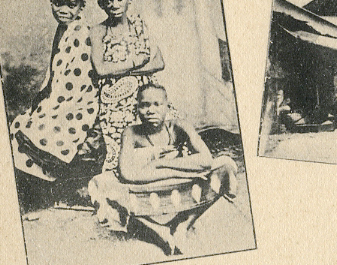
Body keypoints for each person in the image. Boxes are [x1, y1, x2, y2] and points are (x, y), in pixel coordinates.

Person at [89, 83, 239, 254]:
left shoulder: (179, 126)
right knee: (101, 185)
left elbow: (206, 160)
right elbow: (126, 173)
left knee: (225, 167)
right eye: (145, 105)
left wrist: (159, 164)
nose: (150, 110)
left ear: (167, 107)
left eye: (156, 104)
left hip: (179, 186)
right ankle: (156, 230)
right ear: (137, 108)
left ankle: (183, 224)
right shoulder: (130, 132)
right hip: (145, 189)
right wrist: (184, 168)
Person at [9, 0, 104, 191]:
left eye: (71, 5)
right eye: (58, 3)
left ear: (81, 7)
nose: (63, 10)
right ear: (51, 1)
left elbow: (76, 80)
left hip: (79, 101)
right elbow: (56, 74)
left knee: (37, 127)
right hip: (61, 95)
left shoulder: (80, 32)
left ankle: (50, 187)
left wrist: (52, 102)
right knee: (22, 122)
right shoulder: (63, 30)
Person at [90, 0, 166, 173]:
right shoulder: (98, 31)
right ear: (101, 4)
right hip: (113, 98)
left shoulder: (139, 25)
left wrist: (121, 70)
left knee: (162, 127)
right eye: (109, 0)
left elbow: (158, 62)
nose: (114, 4)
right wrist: (135, 62)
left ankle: (160, 168)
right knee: (122, 143)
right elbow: (100, 69)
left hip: (146, 91)